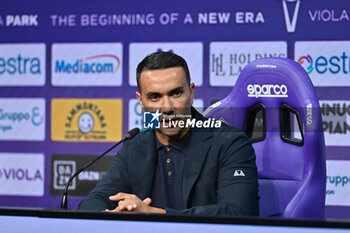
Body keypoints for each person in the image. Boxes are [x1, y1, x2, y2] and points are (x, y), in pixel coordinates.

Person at [78, 52, 259, 216]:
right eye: (155, 97)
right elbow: (94, 201)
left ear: (191, 92)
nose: (167, 108)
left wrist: (153, 214)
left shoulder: (230, 143)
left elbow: (239, 211)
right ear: (141, 101)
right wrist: (111, 216)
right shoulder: (135, 145)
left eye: (176, 94)